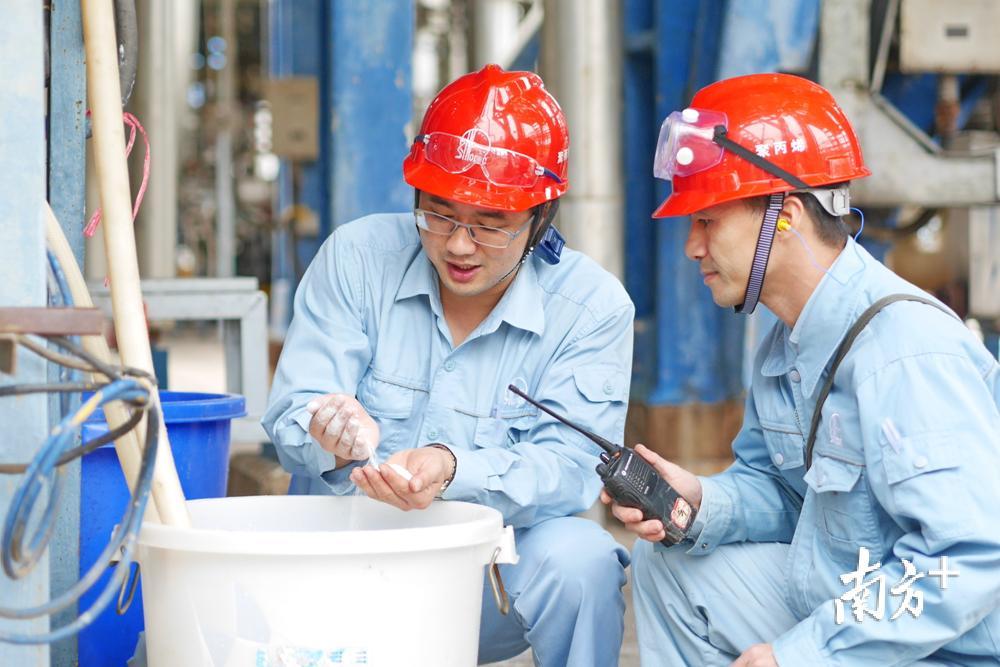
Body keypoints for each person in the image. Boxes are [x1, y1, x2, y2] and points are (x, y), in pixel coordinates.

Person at [604, 72, 1000, 666]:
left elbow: (967, 559)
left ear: (784, 215)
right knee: (669, 567)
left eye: (708, 220)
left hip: (945, 647)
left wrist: (801, 654)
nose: (692, 247)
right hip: (848, 598)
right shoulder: (787, 343)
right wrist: (700, 500)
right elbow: (790, 496)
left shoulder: (904, 352)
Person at [262, 64, 634, 666]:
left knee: (582, 561)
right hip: (341, 565)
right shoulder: (358, 258)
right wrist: (328, 437)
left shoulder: (591, 308)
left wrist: (454, 468)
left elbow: (570, 469)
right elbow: (292, 410)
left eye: (491, 224)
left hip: (481, 581)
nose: (459, 245)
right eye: (439, 213)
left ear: (541, 218)